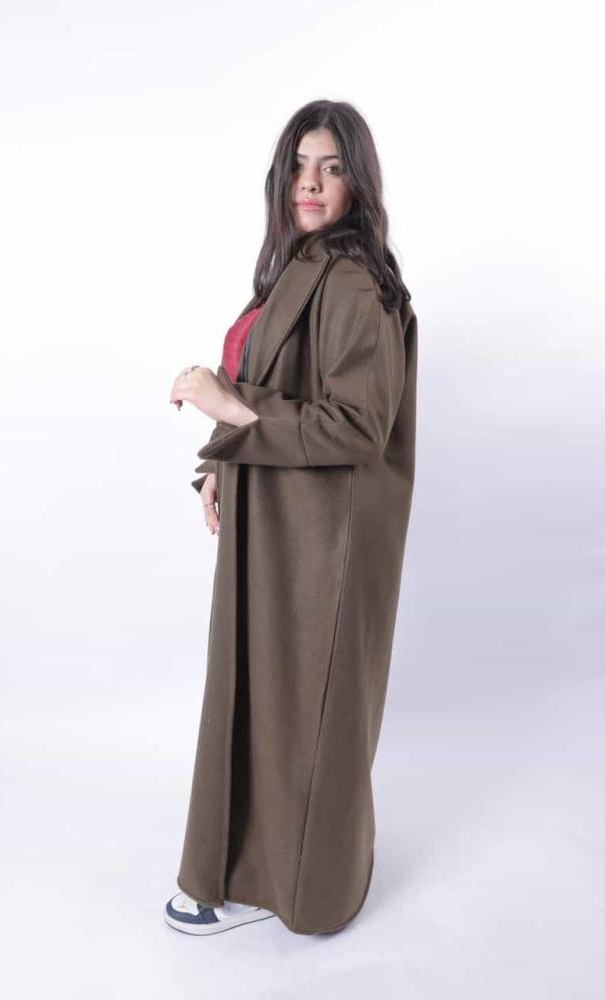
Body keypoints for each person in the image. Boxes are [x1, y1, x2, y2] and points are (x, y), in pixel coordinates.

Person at [165, 99, 417, 936]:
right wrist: (218, 463)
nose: (310, 183)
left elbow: (356, 427)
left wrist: (231, 412)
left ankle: (300, 890)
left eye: (331, 168)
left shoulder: (349, 281)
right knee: (260, 699)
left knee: (299, 712)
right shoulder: (297, 269)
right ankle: (248, 871)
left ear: (357, 183)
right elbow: (275, 388)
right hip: (275, 525)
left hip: (320, 543)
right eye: (299, 166)